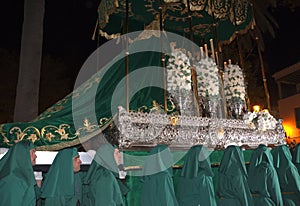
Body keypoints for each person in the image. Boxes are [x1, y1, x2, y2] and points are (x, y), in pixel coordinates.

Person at [0, 140, 39, 205]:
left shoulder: (22, 177)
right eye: (33, 152)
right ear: (23, 154)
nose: (35, 156)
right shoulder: (13, 181)